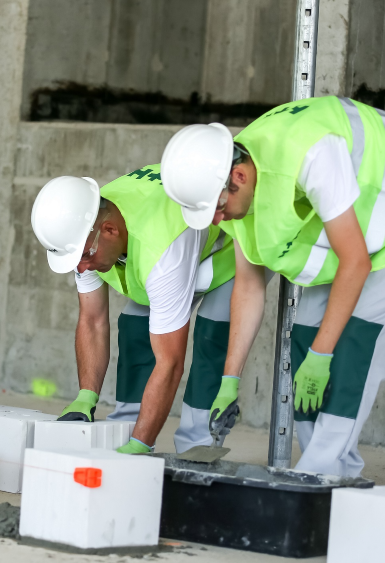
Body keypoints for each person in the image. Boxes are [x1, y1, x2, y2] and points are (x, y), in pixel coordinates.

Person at [161, 97, 385, 475]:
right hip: (354, 227)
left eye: (218, 208)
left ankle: (321, 472)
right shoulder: (233, 174)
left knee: (356, 342)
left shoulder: (312, 155)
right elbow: (249, 288)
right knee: (304, 337)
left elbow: (355, 263)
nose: (217, 219)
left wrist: (323, 355)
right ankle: (327, 468)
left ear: (238, 178)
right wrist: (230, 380)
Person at [30, 156, 242, 454]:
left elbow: (170, 363)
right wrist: (85, 397)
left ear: (110, 231)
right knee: (134, 328)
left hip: (225, 253)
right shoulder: (85, 227)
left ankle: (197, 445)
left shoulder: (160, 249)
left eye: (84, 257)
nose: (81, 268)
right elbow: (92, 320)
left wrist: (142, 445)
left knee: (211, 333)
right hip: (162, 253)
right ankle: (125, 428)